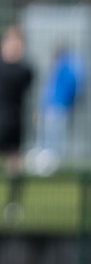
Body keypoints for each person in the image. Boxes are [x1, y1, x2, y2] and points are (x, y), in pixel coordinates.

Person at [30, 43, 83, 175]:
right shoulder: (65, 70)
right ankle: (47, 166)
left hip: (56, 108)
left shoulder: (63, 70)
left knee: (52, 139)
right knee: (50, 138)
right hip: (56, 108)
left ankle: (49, 167)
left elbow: (53, 93)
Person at [0, 25, 34, 223]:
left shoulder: (24, 69)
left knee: (15, 165)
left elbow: (23, 78)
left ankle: (13, 204)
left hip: (14, 123)